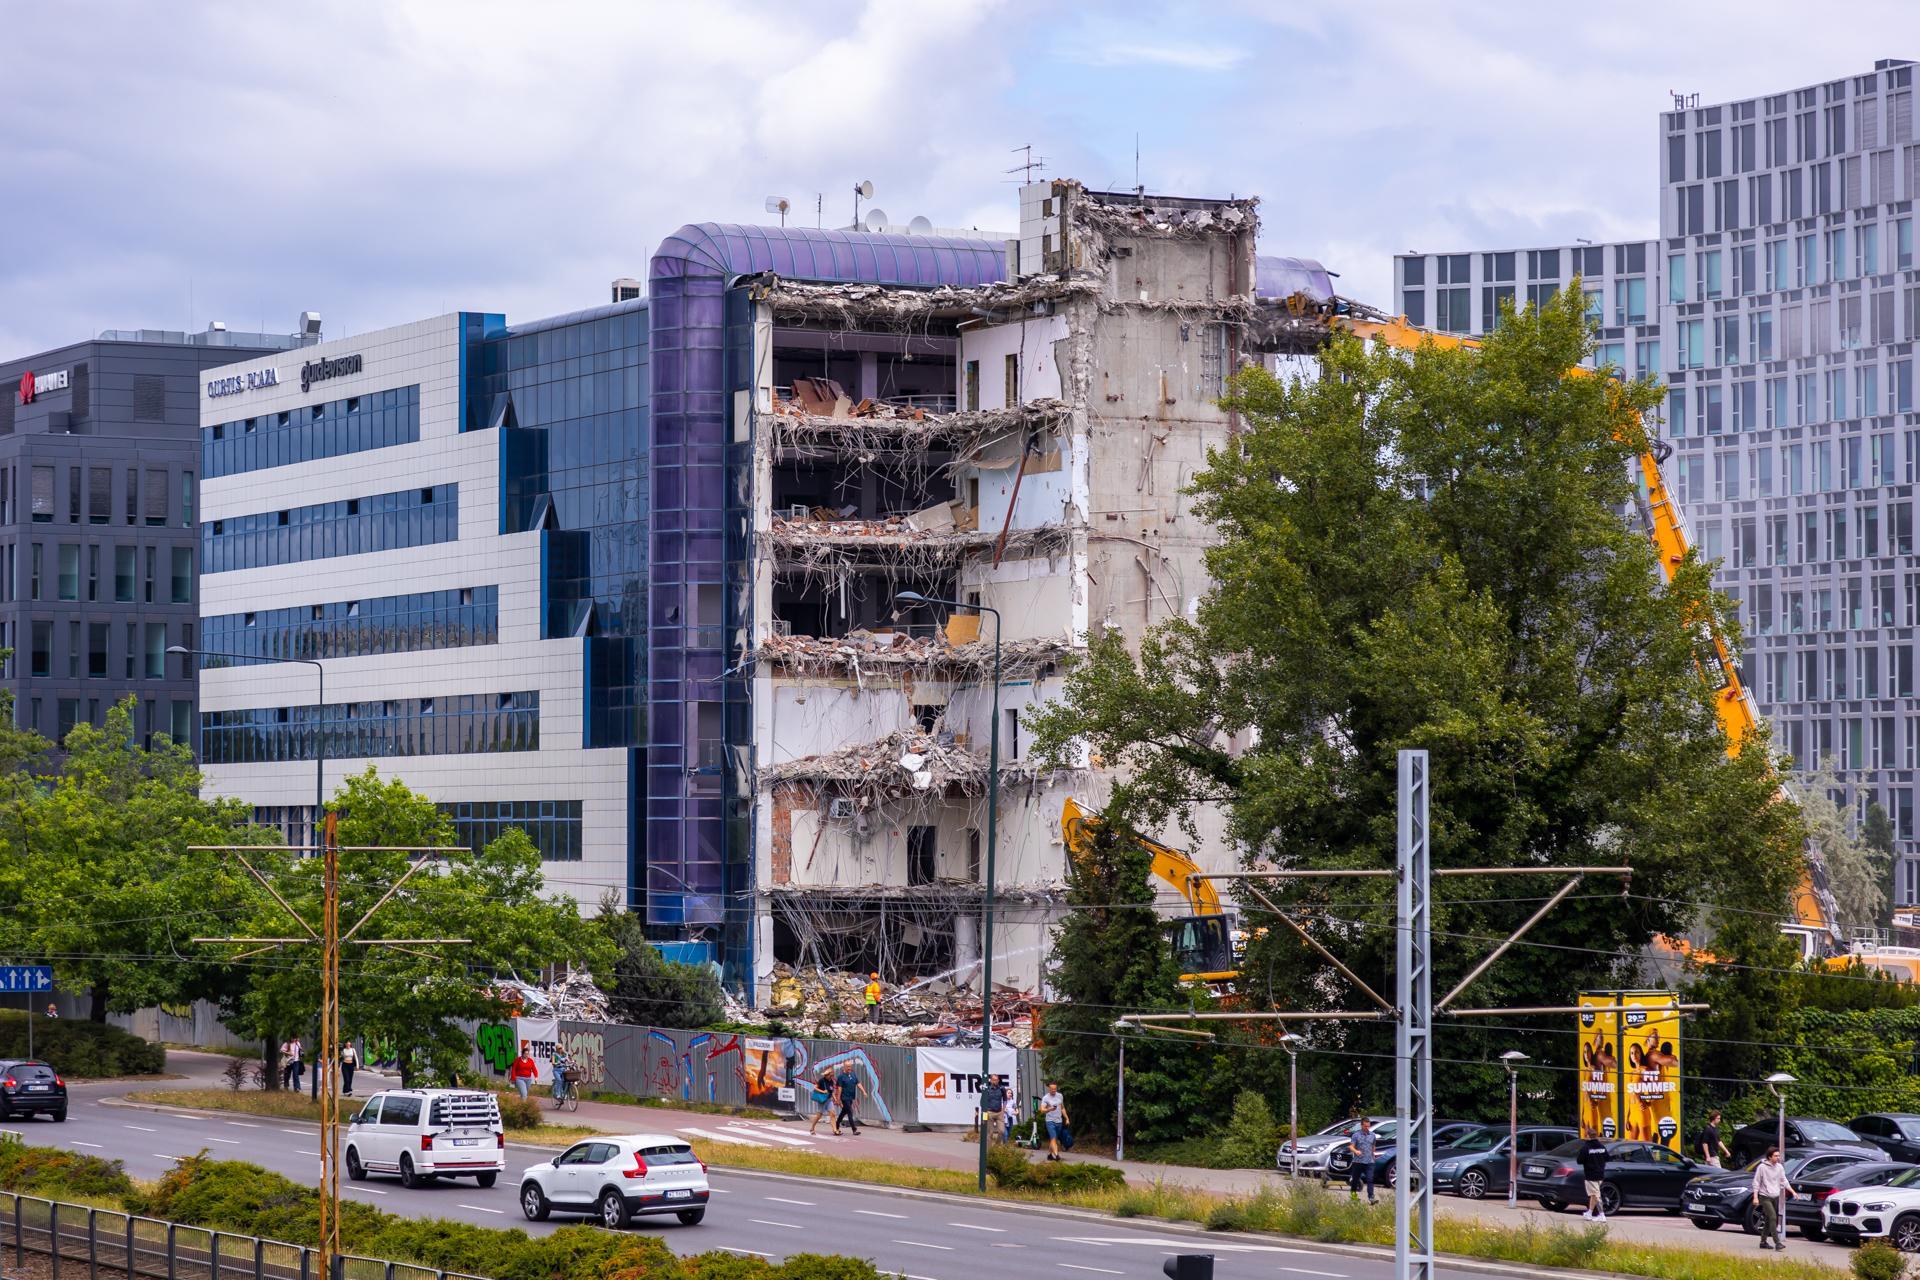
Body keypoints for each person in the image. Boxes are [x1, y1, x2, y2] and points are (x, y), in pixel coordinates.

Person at [1754, 1146, 1795, 1251]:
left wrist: (1793, 1192)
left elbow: (1784, 1181)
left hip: (1775, 1196)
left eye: (1778, 1155)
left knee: (1769, 1220)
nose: (1778, 1157)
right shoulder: (1762, 1167)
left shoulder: (1779, 1167)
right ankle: (1777, 1242)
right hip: (1764, 1196)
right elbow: (1756, 1182)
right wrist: (1755, 1197)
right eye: (1776, 1156)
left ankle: (1763, 1242)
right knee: (1772, 1217)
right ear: (1769, 1157)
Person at [1346, 1117, 1378, 1204]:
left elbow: (1373, 1146)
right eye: (1365, 1126)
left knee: (1370, 1179)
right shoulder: (1356, 1135)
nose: (1367, 1128)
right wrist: (1356, 1151)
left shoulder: (1372, 1135)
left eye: (1368, 1126)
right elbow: (1351, 1146)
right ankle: (1353, 1196)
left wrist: (1373, 1153)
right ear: (1361, 1125)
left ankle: (1371, 1197)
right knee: (1355, 1179)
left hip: (1370, 1161)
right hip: (1358, 1161)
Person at [1579, 1134, 1610, 1222]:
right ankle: (1590, 1212)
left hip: (1590, 1175)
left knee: (1596, 1195)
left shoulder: (1586, 1147)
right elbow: (1607, 1158)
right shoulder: (1602, 1146)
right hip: (1600, 1174)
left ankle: (1602, 1215)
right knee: (1594, 1194)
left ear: (1588, 1136)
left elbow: (1579, 1160)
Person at [1039, 1081, 1070, 1161]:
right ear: (1049, 1088)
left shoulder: (1060, 1096)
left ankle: (1049, 1154)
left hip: (1059, 1121)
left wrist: (1066, 1118)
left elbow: (1062, 1108)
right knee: (1053, 1138)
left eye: (1055, 1089)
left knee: (1054, 1139)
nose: (1053, 1090)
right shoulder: (1046, 1098)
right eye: (1052, 1089)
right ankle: (1056, 1155)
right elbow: (1042, 1110)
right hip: (1050, 1121)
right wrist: (1049, 1109)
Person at [834, 1063, 864, 1135]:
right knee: (850, 1112)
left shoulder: (853, 1075)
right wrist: (838, 1099)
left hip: (851, 1097)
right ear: (844, 1067)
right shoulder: (841, 1077)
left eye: (850, 1066)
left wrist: (864, 1091)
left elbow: (858, 1083)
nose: (849, 1068)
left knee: (843, 1112)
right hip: (844, 1097)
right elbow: (839, 1089)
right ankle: (854, 1129)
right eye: (847, 1066)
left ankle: (836, 1125)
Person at [979, 1073, 1007, 1143]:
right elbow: (982, 1101)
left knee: (1001, 1131)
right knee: (990, 1133)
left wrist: (1003, 1110)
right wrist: (984, 1112)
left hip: (999, 1112)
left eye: (997, 1080)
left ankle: (996, 1148)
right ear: (991, 1080)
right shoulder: (987, 1089)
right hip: (990, 1112)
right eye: (994, 1080)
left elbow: (1005, 1100)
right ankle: (990, 1151)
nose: (996, 1081)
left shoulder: (1002, 1088)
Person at [808, 1070, 835, 1136]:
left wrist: (834, 1098)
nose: (830, 1076)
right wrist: (823, 1091)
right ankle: (812, 1128)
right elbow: (815, 1088)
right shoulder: (821, 1081)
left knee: (833, 1114)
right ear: (826, 1075)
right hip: (822, 1100)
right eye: (829, 1075)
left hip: (829, 1099)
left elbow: (831, 1090)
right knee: (819, 1116)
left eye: (831, 1075)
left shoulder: (831, 1081)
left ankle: (835, 1130)